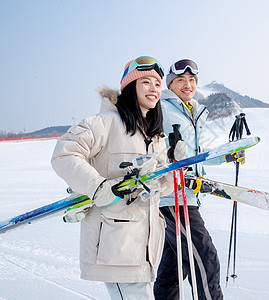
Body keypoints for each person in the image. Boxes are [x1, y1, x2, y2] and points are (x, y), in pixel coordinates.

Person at [51, 56, 177, 300]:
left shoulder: (154, 135)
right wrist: (99, 188)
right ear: (131, 87)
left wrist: (167, 178)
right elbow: (64, 155)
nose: (154, 89)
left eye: (158, 84)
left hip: (144, 247)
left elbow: (158, 189)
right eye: (146, 82)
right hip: (115, 244)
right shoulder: (104, 123)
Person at [154, 59, 245, 300]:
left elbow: (197, 156)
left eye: (192, 80)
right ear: (170, 84)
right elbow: (150, 148)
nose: (187, 84)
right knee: (205, 258)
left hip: (190, 194)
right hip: (172, 196)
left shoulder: (195, 111)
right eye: (181, 80)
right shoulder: (159, 108)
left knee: (176, 266)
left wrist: (225, 157)